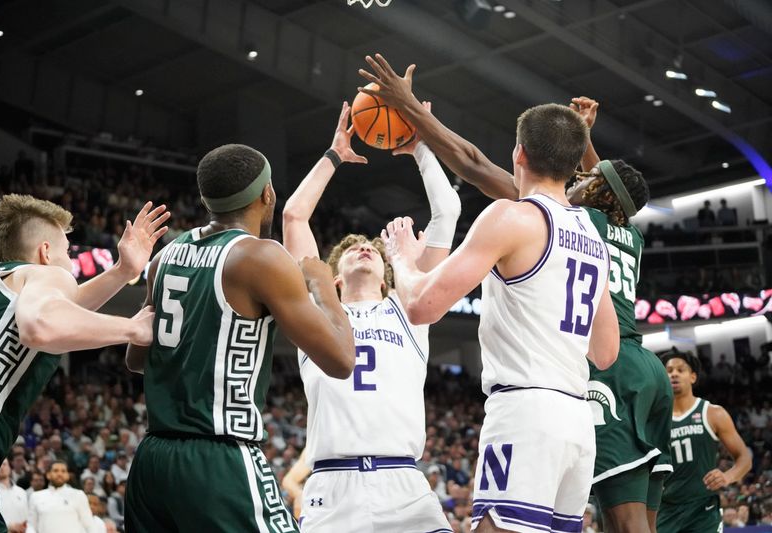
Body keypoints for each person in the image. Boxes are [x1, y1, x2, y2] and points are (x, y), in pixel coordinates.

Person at [367, 61, 618, 533]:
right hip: (577, 423)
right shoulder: (591, 234)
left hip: (525, 412)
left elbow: (420, 306)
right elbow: (605, 352)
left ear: (519, 153)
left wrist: (400, 256)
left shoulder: (510, 217)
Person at [124, 143, 355, 533]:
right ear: (267, 194)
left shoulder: (166, 256)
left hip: (151, 461)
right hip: (218, 458)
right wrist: (324, 290)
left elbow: (135, 358)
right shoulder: (261, 256)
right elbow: (342, 360)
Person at [282, 102, 460, 533]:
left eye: (372, 249)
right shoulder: (319, 311)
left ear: (386, 277)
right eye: (349, 249)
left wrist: (421, 148)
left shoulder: (409, 308)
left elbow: (447, 213)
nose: (363, 248)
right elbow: (293, 215)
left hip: (403, 484)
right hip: (331, 485)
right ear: (335, 279)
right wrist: (333, 156)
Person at [0, 194, 167, 533]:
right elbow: (41, 325)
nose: (71, 265)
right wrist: (133, 328)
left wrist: (123, 272)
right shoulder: (44, 274)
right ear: (46, 252)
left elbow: (58, 306)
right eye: (66, 252)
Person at [566, 97, 674, 533]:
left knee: (627, 527)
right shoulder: (631, 234)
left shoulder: (582, 219)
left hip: (613, 368)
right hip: (648, 368)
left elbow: (595, 186)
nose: (579, 177)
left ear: (597, 194)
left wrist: (574, 136)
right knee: (632, 525)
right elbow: (609, 187)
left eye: (586, 177)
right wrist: (587, 138)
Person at [656, 351, 752, 533]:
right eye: (668, 370)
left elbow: (744, 457)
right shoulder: (656, 420)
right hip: (666, 509)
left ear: (693, 377)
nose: (673, 374)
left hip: (703, 509)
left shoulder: (713, 413)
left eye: (680, 370)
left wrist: (727, 477)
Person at [28, 461, 96, 533]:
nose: (59, 474)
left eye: (63, 471)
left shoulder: (78, 495)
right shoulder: (36, 496)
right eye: (56, 471)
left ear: (67, 475)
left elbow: (89, 524)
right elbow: (31, 526)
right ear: (48, 475)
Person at [0, 459, 27, 533]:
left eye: (4, 464)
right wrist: (9, 526)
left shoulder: (22, 492)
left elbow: (27, 518)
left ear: (10, 468)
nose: (1, 467)